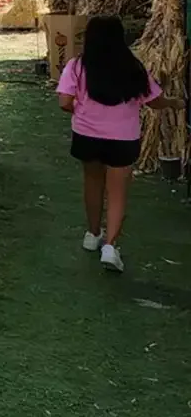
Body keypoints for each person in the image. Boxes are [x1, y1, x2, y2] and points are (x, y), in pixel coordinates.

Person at [57, 15, 182, 273]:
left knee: (92, 183)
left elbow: (64, 102)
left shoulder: (77, 66)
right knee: (117, 193)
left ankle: (92, 235)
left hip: (86, 136)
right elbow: (154, 101)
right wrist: (174, 102)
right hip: (123, 139)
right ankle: (111, 247)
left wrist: (80, 112)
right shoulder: (133, 67)